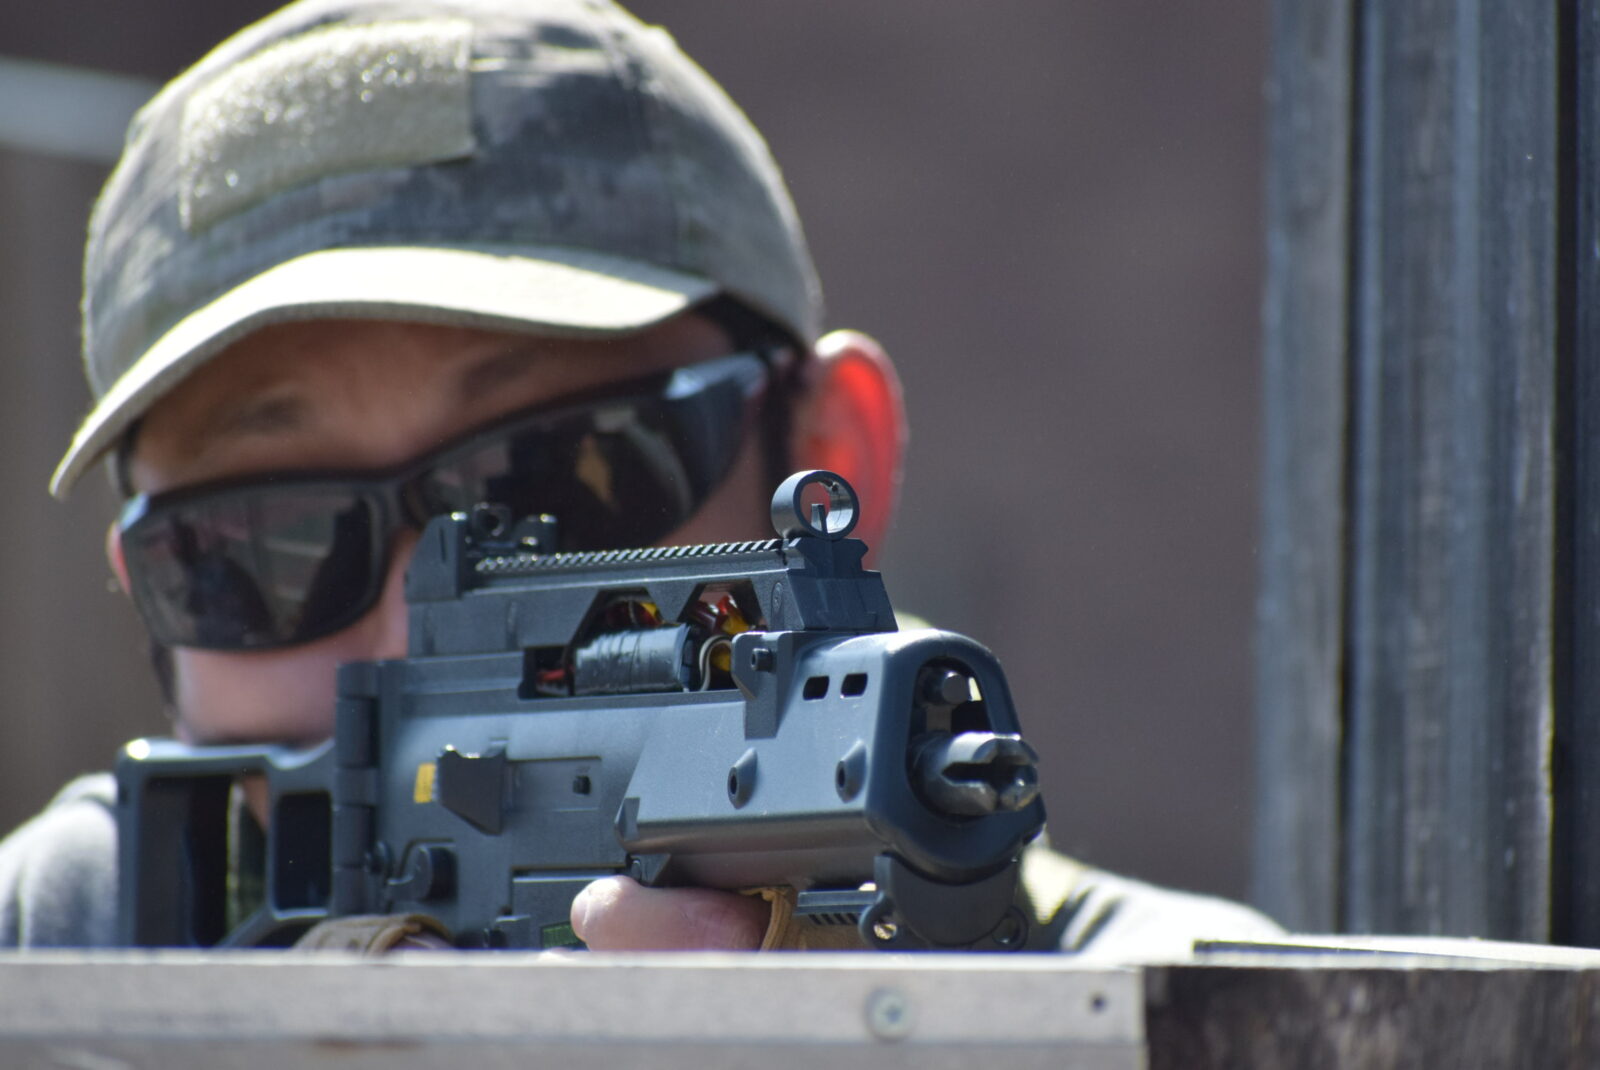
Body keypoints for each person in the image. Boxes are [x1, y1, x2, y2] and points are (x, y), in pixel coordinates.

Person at [0, 0, 1281, 956]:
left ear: (828, 455)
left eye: (553, 479)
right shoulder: (50, 959)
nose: (405, 629)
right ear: (143, 587)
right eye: (261, 547)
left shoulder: (1174, 1006)